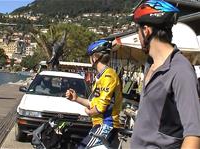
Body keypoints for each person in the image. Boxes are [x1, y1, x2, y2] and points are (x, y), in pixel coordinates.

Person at [131, 0, 200, 148]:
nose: (138, 37)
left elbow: (193, 136)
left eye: (138, 31)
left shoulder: (181, 71)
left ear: (146, 30)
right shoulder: (150, 64)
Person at [66, 39, 123, 148]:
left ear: (95, 58)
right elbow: (93, 102)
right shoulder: (101, 76)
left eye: (90, 56)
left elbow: (100, 108)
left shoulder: (108, 76)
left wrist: (89, 112)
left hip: (106, 125)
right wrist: (76, 98)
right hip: (99, 124)